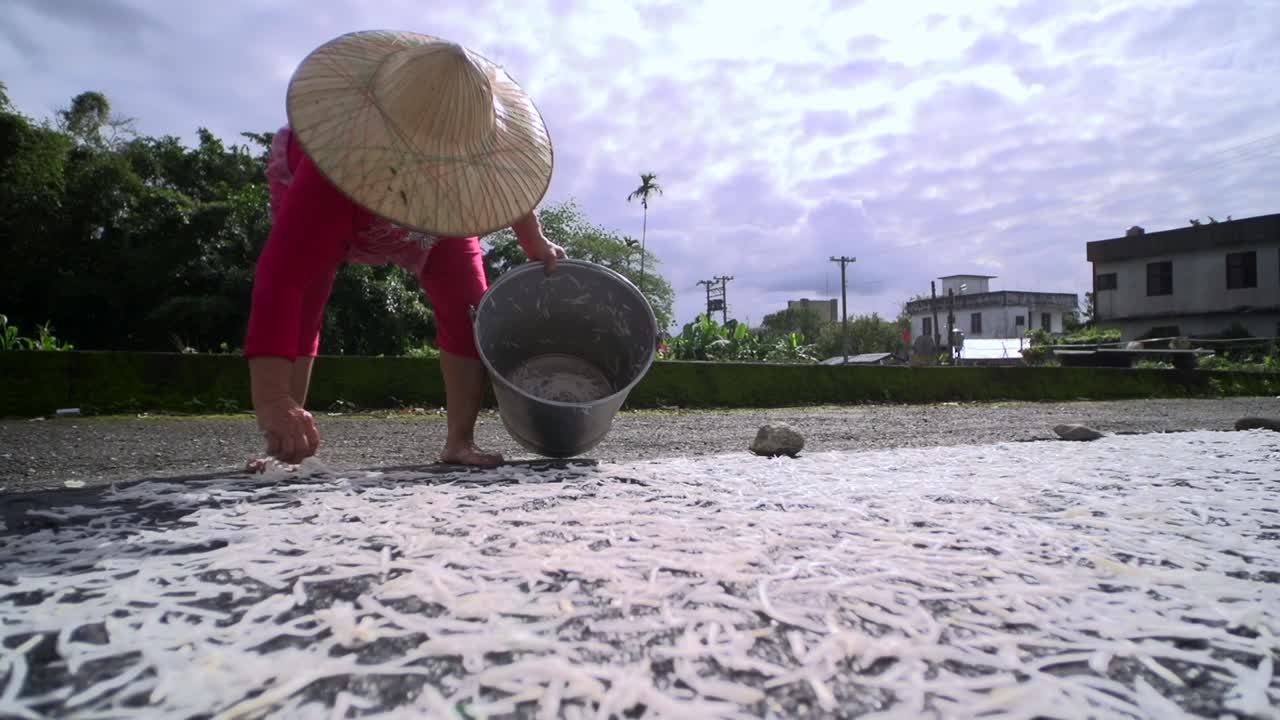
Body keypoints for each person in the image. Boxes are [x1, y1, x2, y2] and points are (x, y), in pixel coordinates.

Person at [243, 30, 563, 470]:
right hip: (348, 183)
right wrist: (273, 401)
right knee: (308, 293)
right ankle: (283, 440)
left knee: (469, 306)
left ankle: (459, 442)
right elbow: (281, 281)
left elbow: (510, 189)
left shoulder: (470, 164)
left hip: (446, 202)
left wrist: (532, 239)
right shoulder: (331, 168)